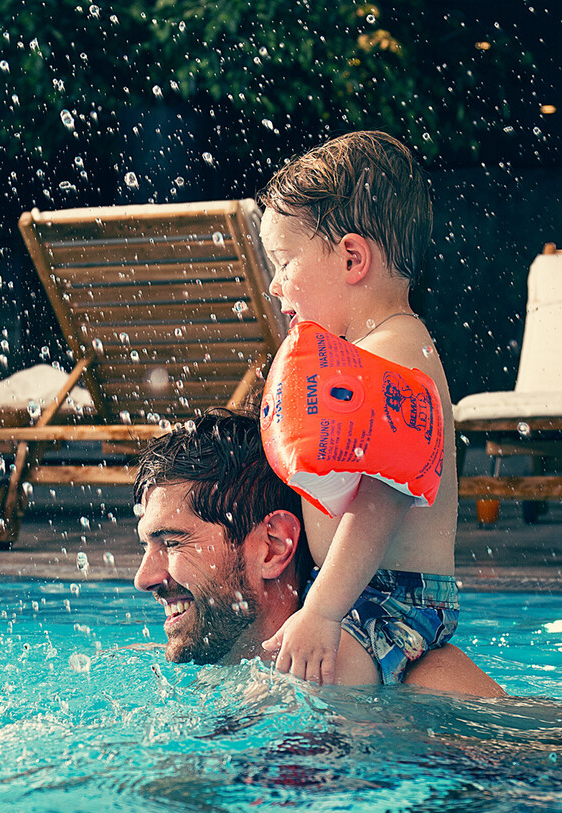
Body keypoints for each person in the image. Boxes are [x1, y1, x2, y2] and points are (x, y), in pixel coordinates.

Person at [255, 130, 460, 686]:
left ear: (351, 258)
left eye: (284, 262)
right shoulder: (372, 352)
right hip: (369, 588)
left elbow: (383, 497)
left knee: (287, 689)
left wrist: (321, 610)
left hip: (389, 597)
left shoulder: (391, 352)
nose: (275, 286)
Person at [133, 408, 504, 698]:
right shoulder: (179, 669)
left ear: (273, 547)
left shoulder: (426, 683)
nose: (143, 578)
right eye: (146, 546)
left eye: (172, 542)